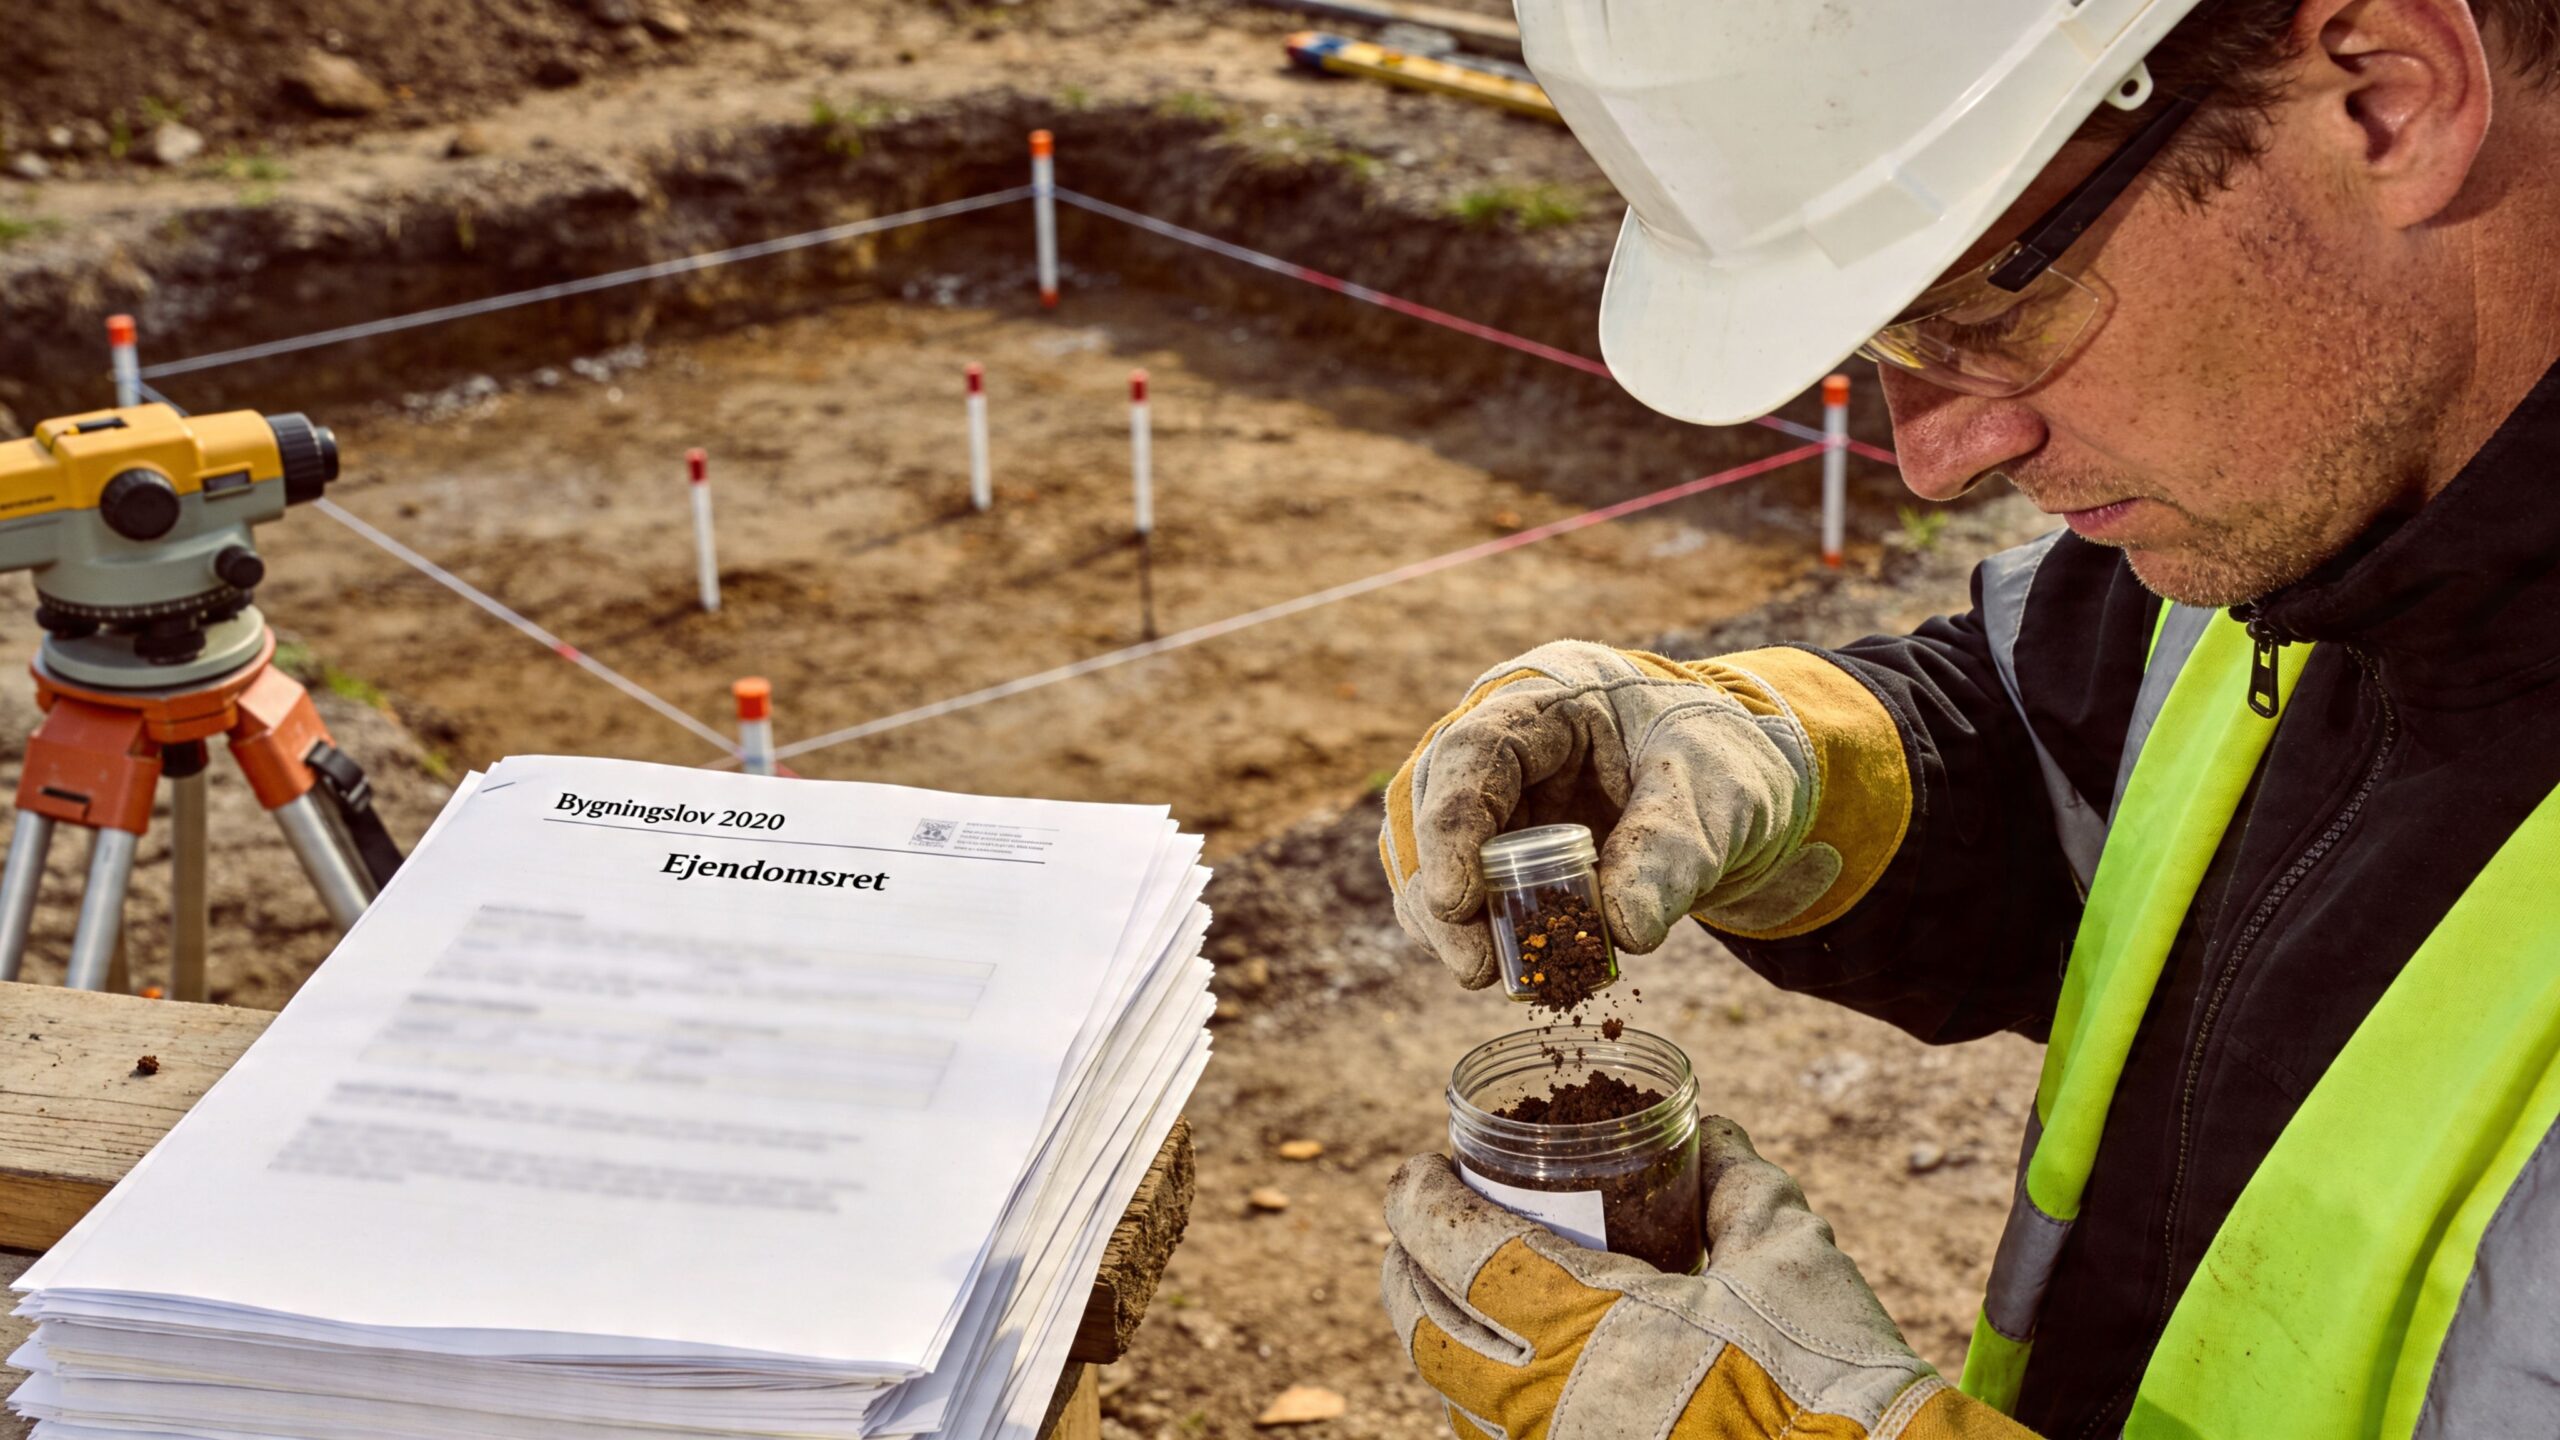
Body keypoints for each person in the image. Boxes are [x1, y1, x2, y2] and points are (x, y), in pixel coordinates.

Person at [1373, 0, 2560, 1436]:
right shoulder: (2305, 499)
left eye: (1988, 308)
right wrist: (1787, 765)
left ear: (2388, 93)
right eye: (1885, 337)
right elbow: (2073, 769)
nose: (1933, 454)